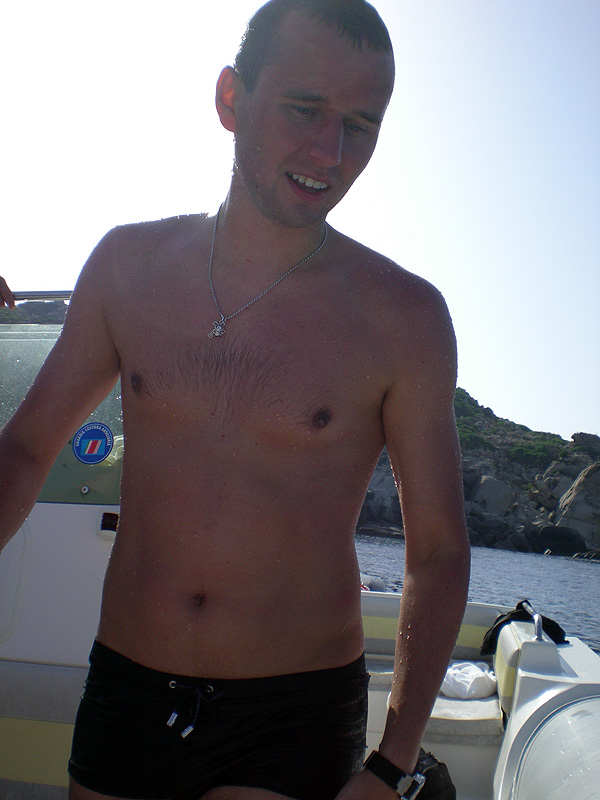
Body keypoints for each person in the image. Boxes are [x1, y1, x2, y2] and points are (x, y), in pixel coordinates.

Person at [0, 1, 470, 798]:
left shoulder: (404, 319)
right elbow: (25, 448)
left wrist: (392, 762)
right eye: (303, 109)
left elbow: (436, 550)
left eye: (360, 125)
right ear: (230, 98)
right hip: (129, 683)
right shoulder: (127, 268)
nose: (329, 152)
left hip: (294, 709)